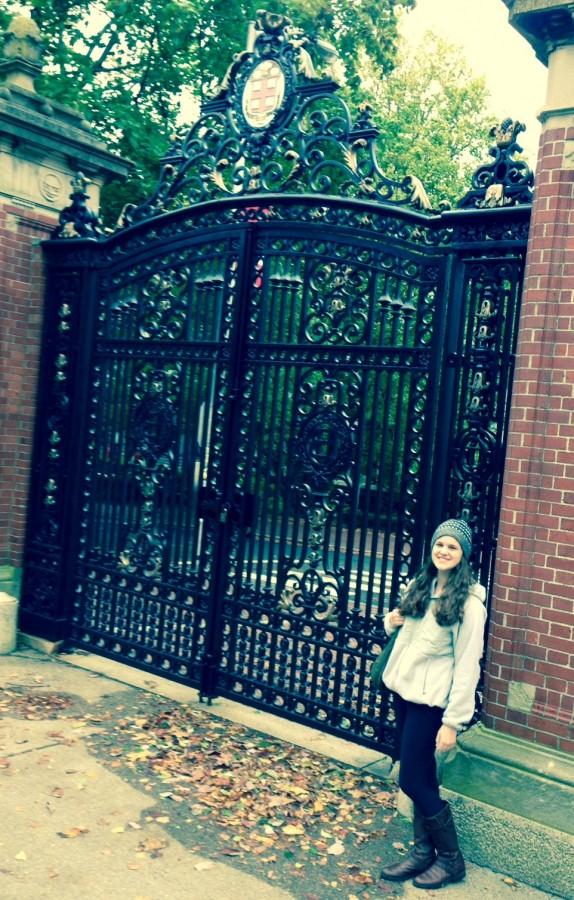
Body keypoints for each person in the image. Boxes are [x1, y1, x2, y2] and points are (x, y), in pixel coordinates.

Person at [379, 518, 487, 890]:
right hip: (404, 693)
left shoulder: (470, 604)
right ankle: (423, 853)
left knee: (411, 777)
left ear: (463, 555)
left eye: (452, 547)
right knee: (420, 777)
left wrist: (452, 722)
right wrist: (391, 621)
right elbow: (408, 634)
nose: (444, 551)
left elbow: (468, 664)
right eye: (440, 544)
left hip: (431, 705)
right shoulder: (420, 584)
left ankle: (451, 860)